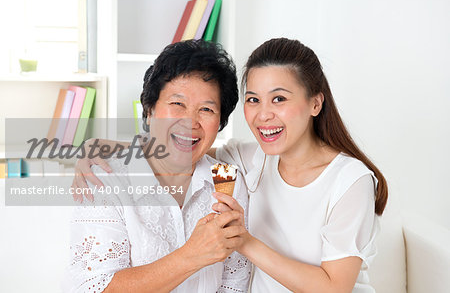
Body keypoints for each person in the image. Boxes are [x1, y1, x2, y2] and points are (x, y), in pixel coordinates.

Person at [73, 38, 388, 292]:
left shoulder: (350, 180)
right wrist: (97, 147)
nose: (264, 115)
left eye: (279, 99)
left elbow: (335, 289)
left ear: (315, 103)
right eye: (253, 99)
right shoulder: (250, 160)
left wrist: (245, 242)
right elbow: (181, 147)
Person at [63, 40, 251, 293]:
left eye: (206, 109)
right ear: (149, 110)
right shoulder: (105, 182)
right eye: (177, 104)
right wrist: (191, 255)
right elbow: (95, 288)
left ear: (219, 122)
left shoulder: (229, 181)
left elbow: (233, 283)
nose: (190, 121)